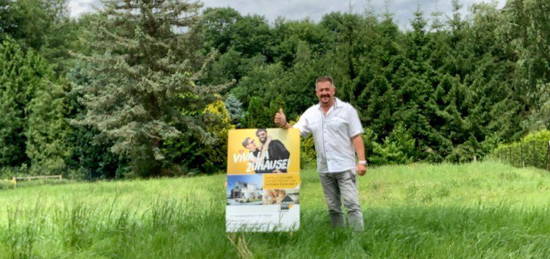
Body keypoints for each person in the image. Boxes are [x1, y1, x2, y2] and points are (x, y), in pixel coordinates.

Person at [274, 76, 366, 231]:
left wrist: (362, 162)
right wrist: (284, 124)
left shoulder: (347, 110)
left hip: (345, 166)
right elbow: (295, 133)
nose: (324, 93)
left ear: (333, 90)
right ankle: (339, 236)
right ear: (316, 92)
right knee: (333, 207)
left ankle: (359, 237)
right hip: (324, 169)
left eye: (327, 90)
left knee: (351, 204)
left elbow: (356, 136)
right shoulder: (311, 113)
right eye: (321, 90)